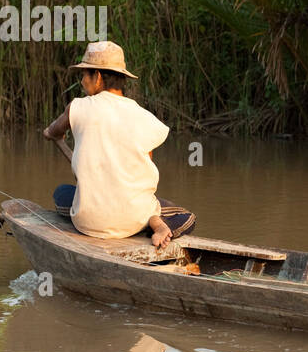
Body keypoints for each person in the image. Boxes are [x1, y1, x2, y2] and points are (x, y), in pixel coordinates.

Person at [42, 41, 194, 248]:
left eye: (85, 75)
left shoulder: (76, 107)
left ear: (98, 77)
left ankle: (149, 219)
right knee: (185, 216)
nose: (82, 81)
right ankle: (155, 222)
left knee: (61, 193)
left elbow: (53, 131)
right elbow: (143, 163)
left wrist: (50, 133)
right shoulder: (142, 115)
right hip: (133, 219)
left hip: (88, 222)